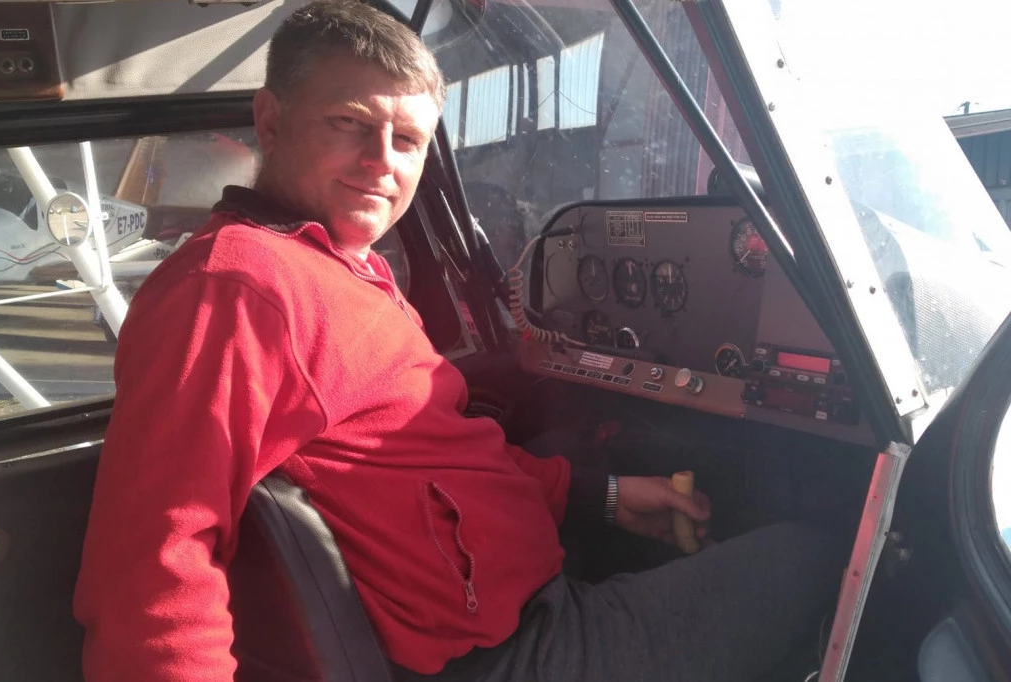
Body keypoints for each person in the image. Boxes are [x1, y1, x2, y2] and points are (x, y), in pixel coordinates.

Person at [73, 2, 844, 681]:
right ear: (271, 120)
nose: (383, 162)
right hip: (513, 657)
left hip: (511, 602)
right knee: (816, 556)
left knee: (596, 462)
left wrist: (604, 498)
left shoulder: (340, 267)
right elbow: (154, 562)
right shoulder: (237, 289)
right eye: (350, 123)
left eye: (408, 139)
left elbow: (438, 454)